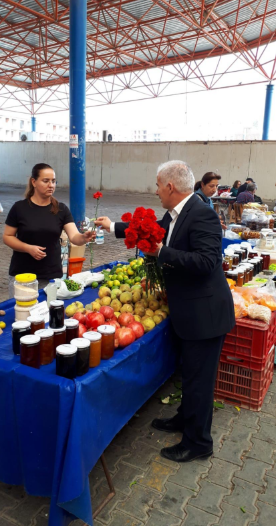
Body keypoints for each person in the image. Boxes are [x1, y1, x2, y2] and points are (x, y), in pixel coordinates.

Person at [96, 160, 235, 463]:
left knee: (199, 381)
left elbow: (206, 262)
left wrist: (161, 253)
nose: (156, 190)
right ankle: (185, 420)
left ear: (170, 187)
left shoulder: (202, 214)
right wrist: (112, 227)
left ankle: (199, 443)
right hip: (189, 311)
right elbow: (155, 231)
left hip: (205, 315)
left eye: (158, 185)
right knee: (190, 375)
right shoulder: (175, 214)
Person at [3, 163, 95, 294]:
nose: (51, 185)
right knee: (22, 313)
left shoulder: (61, 209)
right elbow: (7, 237)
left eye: (53, 181)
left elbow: (74, 237)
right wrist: (28, 248)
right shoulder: (19, 208)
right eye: (46, 181)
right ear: (34, 182)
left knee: (48, 312)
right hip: (23, 275)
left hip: (51, 275)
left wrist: (84, 237)